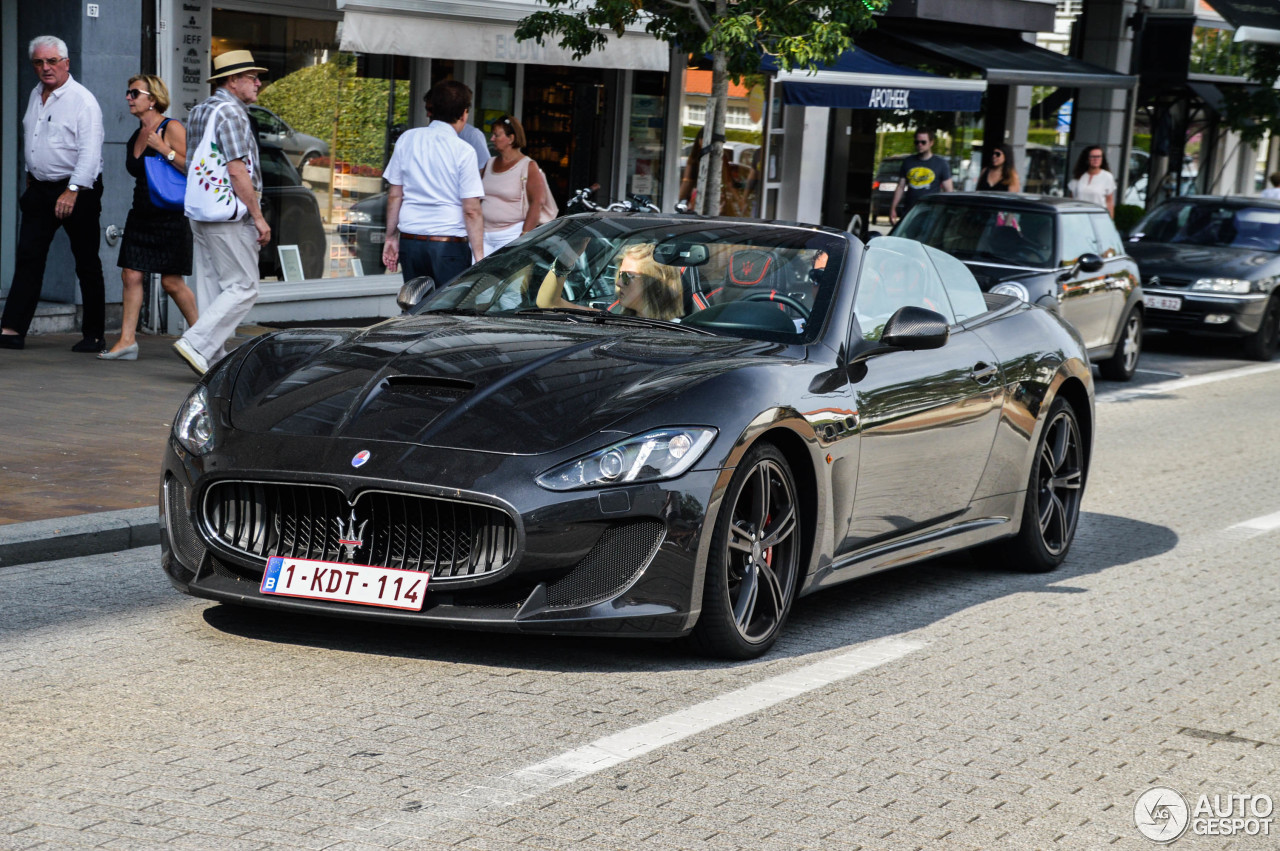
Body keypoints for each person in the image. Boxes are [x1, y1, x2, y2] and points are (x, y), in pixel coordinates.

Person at [1, 35, 106, 352]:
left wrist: (72, 190)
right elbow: (33, 139)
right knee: (29, 258)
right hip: (40, 188)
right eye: (39, 62)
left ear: (66, 63)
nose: (46, 68)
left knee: (86, 261)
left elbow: (90, 152)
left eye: (52, 61)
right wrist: (29, 177)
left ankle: (94, 334)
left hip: (79, 189)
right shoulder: (36, 94)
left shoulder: (82, 100)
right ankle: (12, 329)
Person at [172, 50, 271, 376]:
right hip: (229, 213)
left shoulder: (201, 110)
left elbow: (193, 162)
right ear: (233, 80)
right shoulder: (232, 113)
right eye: (252, 77)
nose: (258, 82)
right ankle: (198, 344)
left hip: (201, 210)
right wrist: (257, 216)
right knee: (244, 286)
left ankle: (213, 360)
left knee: (213, 285)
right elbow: (236, 169)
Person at [100, 74, 198, 360]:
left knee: (171, 281)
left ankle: (206, 339)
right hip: (141, 213)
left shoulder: (172, 127)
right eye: (128, 93)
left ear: (152, 99)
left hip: (170, 215)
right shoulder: (137, 133)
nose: (129, 98)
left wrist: (165, 150)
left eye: (134, 93)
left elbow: (194, 169)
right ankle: (127, 341)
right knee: (131, 274)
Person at [382, 80, 485, 286]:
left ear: (432, 109)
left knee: (415, 308)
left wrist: (391, 237)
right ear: (464, 114)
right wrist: (480, 256)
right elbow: (471, 210)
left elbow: (395, 195)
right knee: (447, 312)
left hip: (411, 239)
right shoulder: (464, 151)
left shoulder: (407, 139)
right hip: (448, 243)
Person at [537, 243, 682, 320]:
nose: (618, 283)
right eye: (619, 275)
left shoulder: (685, 333)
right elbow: (549, 303)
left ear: (655, 283)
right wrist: (567, 257)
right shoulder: (610, 320)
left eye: (626, 277)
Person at [480, 115, 551, 254]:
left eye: (496, 135)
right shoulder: (489, 163)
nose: (492, 139)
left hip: (510, 236)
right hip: (483, 235)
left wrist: (524, 237)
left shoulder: (528, 166)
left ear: (511, 138)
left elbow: (537, 203)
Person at [889, 129, 953, 225]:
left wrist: (945, 212)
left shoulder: (941, 164)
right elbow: (900, 187)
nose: (920, 145)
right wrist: (893, 208)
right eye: (917, 142)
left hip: (931, 213)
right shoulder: (908, 162)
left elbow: (949, 191)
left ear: (931, 143)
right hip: (910, 212)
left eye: (923, 142)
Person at [1069, 145, 1117, 218]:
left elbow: (1109, 202)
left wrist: (1110, 221)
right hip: (1078, 218)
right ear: (1087, 158)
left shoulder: (1107, 177)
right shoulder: (1078, 176)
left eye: (1098, 156)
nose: (1096, 159)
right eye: (1093, 156)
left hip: (1098, 219)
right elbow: (1071, 200)